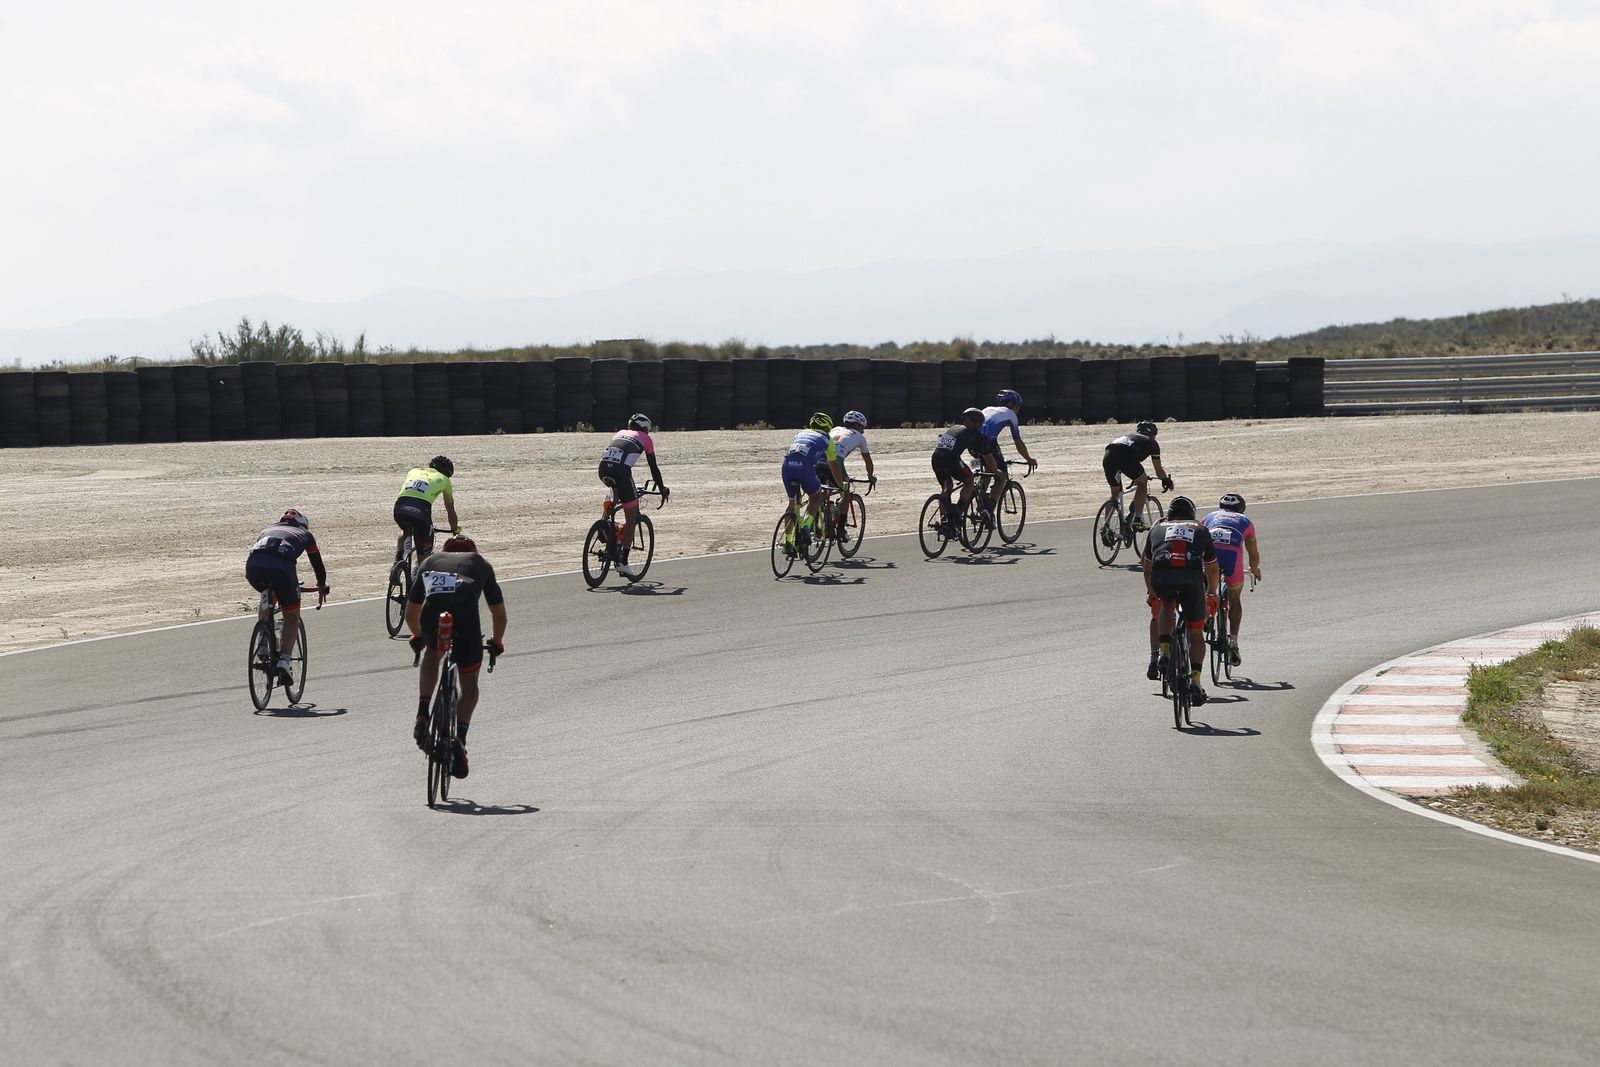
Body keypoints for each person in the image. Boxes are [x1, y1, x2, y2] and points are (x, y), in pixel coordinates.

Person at [405, 534, 508, 779]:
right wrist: (497, 642)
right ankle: (459, 740)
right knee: (469, 685)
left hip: (432, 614)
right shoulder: (480, 562)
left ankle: (422, 713)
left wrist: (419, 636)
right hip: (465, 617)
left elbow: (411, 612)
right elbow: (499, 615)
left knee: (433, 651)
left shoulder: (429, 562)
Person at [1141, 495, 1220, 704]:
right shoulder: (1200, 529)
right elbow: (1212, 568)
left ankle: (1164, 650)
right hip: (1191, 579)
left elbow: (1146, 567)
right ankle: (1195, 680)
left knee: (1166, 605)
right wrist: (1212, 594)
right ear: (1192, 514)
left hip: (1162, 575)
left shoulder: (1157, 528)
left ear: (1169, 513)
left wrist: (1151, 592)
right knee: (1195, 629)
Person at [245, 508, 329, 688]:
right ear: (303, 524)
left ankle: (263, 640)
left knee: (267, 594)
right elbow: (317, 565)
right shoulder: (306, 534)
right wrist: (321, 585)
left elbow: (265, 554)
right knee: (291, 615)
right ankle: (284, 660)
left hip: (253, 566)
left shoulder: (267, 529)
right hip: (282, 568)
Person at [599, 413, 671, 578]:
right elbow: (654, 468)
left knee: (616, 494)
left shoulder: (619, 433)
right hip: (621, 473)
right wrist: (661, 488)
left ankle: (603, 526)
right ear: (645, 429)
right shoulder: (645, 438)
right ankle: (623, 562)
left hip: (603, 470)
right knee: (631, 515)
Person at [1203, 492, 1263, 666]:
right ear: (1241, 509)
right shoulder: (1246, 522)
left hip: (1209, 556)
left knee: (1205, 587)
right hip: (1232, 558)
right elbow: (1253, 553)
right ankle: (1233, 643)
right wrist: (1254, 569)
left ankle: (1206, 614)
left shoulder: (1208, 517)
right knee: (1235, 598)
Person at [781, 412, 847, 552]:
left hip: (787, 466)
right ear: (827, 428)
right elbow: (834, 466)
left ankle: (787, 543)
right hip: (804, 468)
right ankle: (806, 528)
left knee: (792, 504)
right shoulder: (827, 439)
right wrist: (841, 486)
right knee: (815, 497)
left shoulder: (800, 433)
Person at [931, 407, 1000, 532]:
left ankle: (945, 522)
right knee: (969, 481)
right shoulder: (974, 433)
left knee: (947, 488)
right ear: (977, 422)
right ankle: (958, 510)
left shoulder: (953, 428)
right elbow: (988, 456)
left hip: (936, 458)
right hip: (951, 459)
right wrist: (996, 471)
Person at [816, 410, 878, 537]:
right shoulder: (860, 437)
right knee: (845, 489)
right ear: (857, 426)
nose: (863, 431)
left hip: (817, 460)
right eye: (862, 428)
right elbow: (867, 459)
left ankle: (817, 523)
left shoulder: (835, 429)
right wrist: (870, 476)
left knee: (818, 493)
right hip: (835, 461)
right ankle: (841, 530)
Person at [1103, 421, 1172, 533]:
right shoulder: (1152, 443)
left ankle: (1105, 527)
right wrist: (1165, 480)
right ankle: (1138, 520)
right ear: (1153, 434)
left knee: (1115, 493)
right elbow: (1158, 471)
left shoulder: (1128, 436)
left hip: (1108, 455)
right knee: (1142, 483)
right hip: (1125, 456)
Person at [979, 390, 1038, 520]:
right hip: (988, 443)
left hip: (972, 443)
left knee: (988, 470)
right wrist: (1029, 459)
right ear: (1012, 404)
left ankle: (979, 497)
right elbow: (1018, 442)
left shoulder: (987, 409)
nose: (1018, 410)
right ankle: (988, 510)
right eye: (1018, 406)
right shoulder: (1011, 414)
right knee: (1001, 475)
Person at [394, 455, 460, 563]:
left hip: (400, 507)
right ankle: (420, 568)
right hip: (420, 511)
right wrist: (454, 529)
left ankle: (398, 558)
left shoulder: (413, 471)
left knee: (406, 530)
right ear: (447, 473)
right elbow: (450, 511)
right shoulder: (445, 480)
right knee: (424, 554)